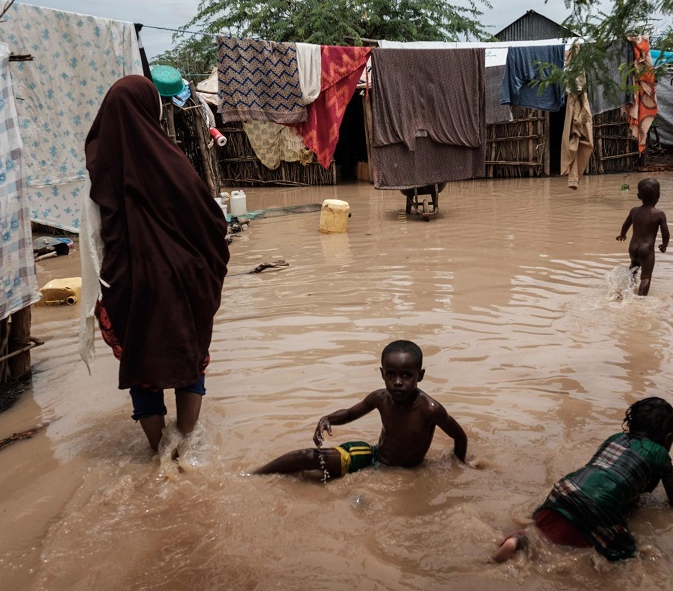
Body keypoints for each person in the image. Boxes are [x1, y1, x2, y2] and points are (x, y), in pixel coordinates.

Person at [84, 75, 229, 452]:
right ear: (152, 107)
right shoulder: (171, 160)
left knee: (142, 365)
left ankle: (158, 453)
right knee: (190, 356)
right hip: (185, 280)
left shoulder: (100, 168)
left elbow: (93, 238)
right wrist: (201, 268)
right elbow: (212, 222)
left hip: (131, 287)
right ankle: (186, 444)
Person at [491, 397, 673, 563]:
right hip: (596, 506)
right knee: (624, 551)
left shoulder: (615, 438)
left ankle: (519, 541)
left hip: (564, 490)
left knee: (546, 531)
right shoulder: (660, 454)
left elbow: (606, 477)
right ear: (668, 438)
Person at [253, 340, 468, 477]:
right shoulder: (380, 398)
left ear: (420, 375)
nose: (398, 381)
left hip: (410, 471)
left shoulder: (430, 409)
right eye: (391, 374)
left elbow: (460, 437)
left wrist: (459, 466)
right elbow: (349, 413)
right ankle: (255, 475)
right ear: (382, 373)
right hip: (374, 457)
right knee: (308, 458)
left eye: (406, 375)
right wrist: (327, 418)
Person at [616, 177, 670, 296]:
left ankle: (627, 291)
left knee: (633, 270)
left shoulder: (634, 211)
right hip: (647, 249)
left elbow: (626, 224)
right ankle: (640, 300)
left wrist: (622, 235)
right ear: (658, 195)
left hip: (633, 247)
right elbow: (665, 233)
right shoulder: (659, 214)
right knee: (645, 278)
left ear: (639, 196)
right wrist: (664, 245)